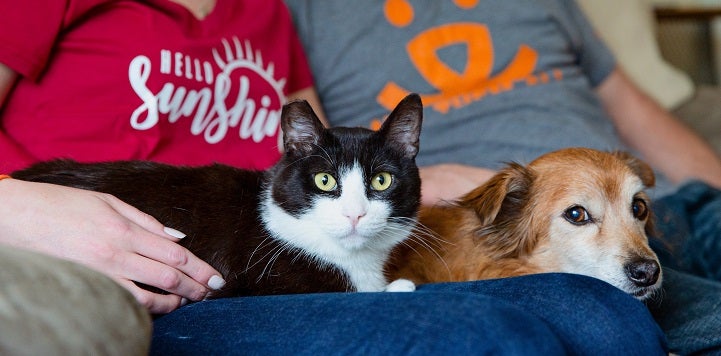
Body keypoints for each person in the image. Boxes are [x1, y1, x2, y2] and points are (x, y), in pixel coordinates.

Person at [0, 0, 668, 354]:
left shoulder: (265, 13)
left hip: (295, 265)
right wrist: (21, 209)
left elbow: (331, 160)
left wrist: (428, 183)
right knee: (477, 336)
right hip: (166, 283)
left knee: (607, 322)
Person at [283, 0, 721, 354]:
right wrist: (434, 183)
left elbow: (634, 110)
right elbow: (320, 161)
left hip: (653, 200)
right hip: (495, 218)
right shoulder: (304, 11)